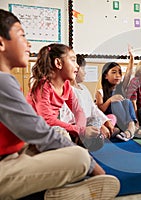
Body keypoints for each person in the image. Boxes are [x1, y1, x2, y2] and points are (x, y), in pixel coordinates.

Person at [0, 8, 120, 199]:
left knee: (65, 142)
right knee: (78, 157)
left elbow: (79, 112)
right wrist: (91, 164)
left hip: (19, 149)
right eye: (21, 35)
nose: (28, 44)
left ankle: (60, 187)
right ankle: (57, 190)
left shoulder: (65, 87)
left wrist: (81, 133)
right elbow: (41, 126)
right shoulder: (17, 83)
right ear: (1, 42)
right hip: (10, 159)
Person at [26, 43, 105, 151]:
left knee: (95, 120)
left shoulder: (66, 86)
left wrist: (80, 131)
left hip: (53, 127)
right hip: (37, 129)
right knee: (59, 132)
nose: (77, 65)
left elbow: (78, 111)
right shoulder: (43, 86)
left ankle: (76, 143)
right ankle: (72, 149)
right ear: (58, 63)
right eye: (73, 60)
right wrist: (81, 131)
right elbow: (47, 120)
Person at [95, 47, 141, 140]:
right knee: (116, 101)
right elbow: (100, 110)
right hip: (113, 120)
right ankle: (132, 129)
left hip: (124, 120)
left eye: (119, 73)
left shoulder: (120, 88)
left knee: (127, 102)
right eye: (114, 72)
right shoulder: (100, 92)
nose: (118, 75)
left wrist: (132, 58)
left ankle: (130, 128)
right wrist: (110, 100)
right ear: (105, 76)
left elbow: (128, 74)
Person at [70, 54, 119, 147]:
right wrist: (100, 125)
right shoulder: (70, 90)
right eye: (83, 69)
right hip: (82, 125)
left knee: (110, 118)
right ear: (76, 69)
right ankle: (101, 134)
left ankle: (105, 132)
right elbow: (76, 117)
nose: (85, 73)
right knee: (95, 122)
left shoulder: (83, 88)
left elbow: (93, 108)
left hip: (90, 121)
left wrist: (106, 121)